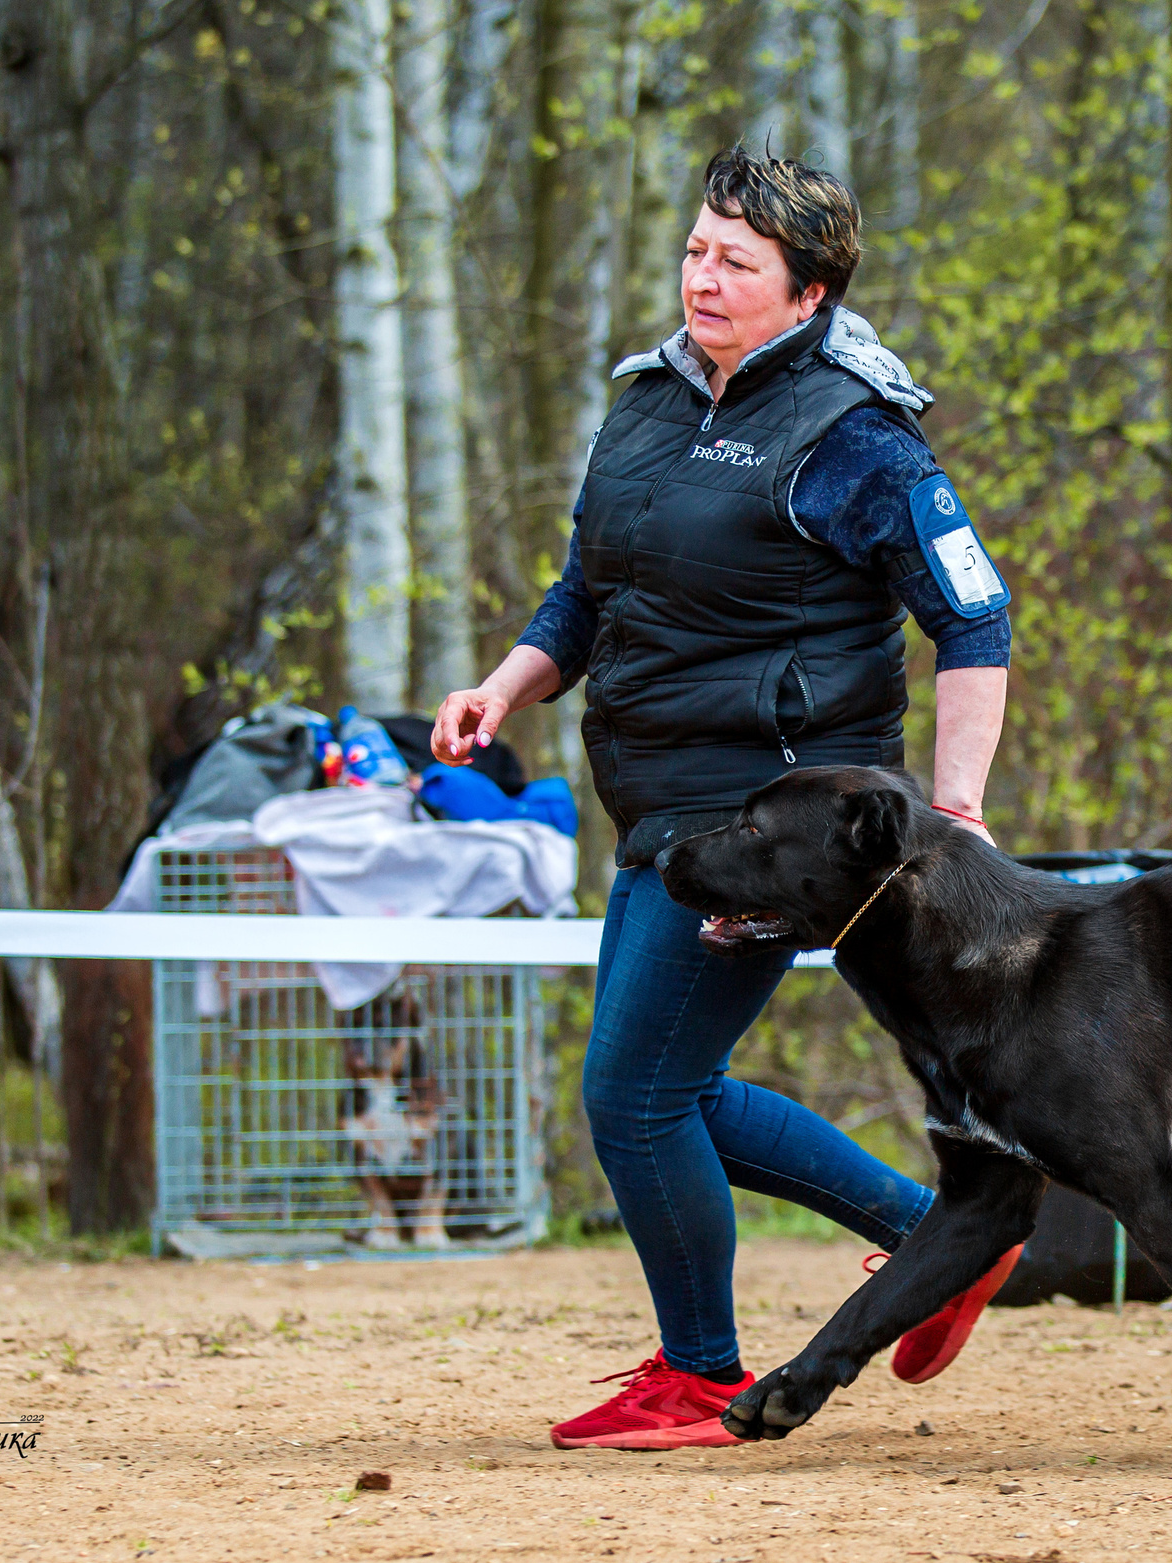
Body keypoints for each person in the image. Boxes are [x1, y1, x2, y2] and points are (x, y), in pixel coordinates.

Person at [431, 147, 1019, 1448]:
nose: (704, 276)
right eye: (698, 249)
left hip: (772, 829)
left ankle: (702, 1369)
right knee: (671, 1086)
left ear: (808, 294)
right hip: (654, 804)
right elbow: (587, 589)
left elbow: (975, 615)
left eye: (737, 260)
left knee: (633, 1094)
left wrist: (958, 805)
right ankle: (944, 1235)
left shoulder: (858, 433)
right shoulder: (643, 403)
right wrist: (506, 686)